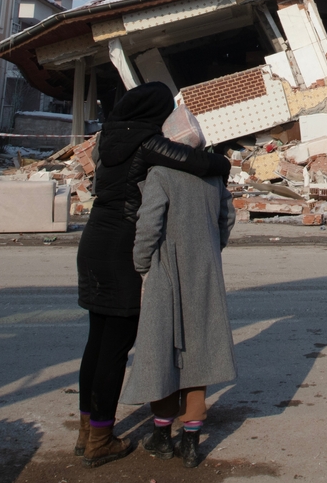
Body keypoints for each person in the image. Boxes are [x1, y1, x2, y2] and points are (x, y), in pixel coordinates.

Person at [75, 83, 231, 468]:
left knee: (96, 341)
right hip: (122, 247)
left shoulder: (106, 139)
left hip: (94, 241)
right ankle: (100, 440)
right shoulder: (148, 144)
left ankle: (86, 431)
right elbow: (196, 162)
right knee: (115, 347)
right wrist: (223, 164)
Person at [121, 106, 236, 468]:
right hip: (204, 270)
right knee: (200, 354)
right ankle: (191, 440)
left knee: (162, 352)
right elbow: (227, 217)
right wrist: (212, 247)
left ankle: (160, 435)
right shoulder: (213, 175)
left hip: (166, 270)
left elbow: (149, 224)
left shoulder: (161, 174)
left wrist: (142, 264)